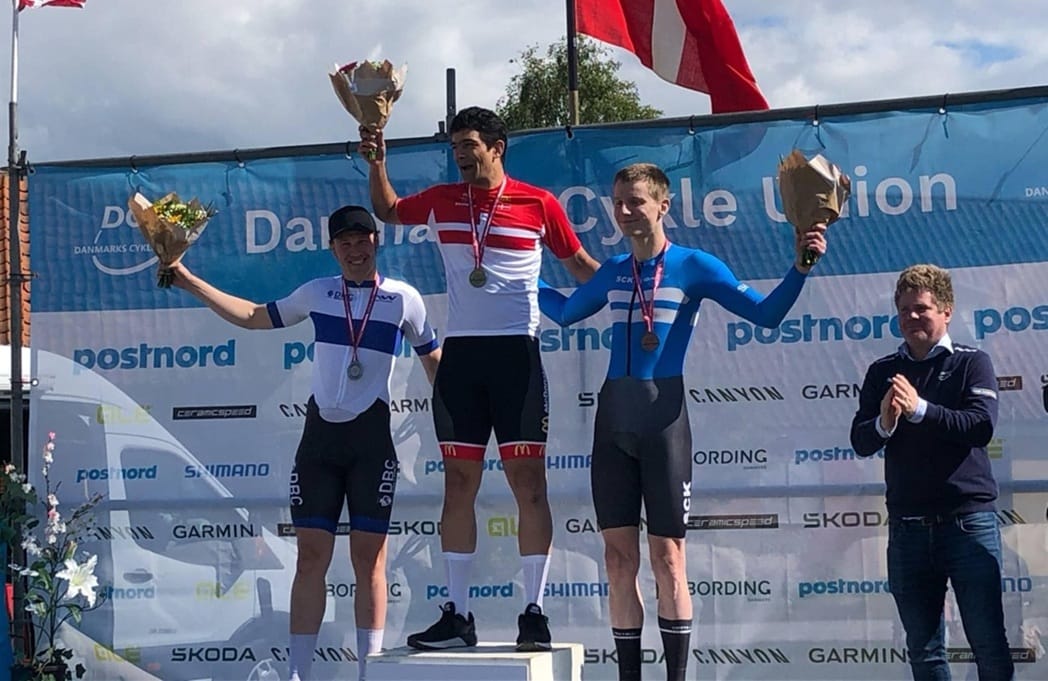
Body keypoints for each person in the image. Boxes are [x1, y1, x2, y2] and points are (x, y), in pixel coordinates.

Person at [538, 163, 827, 681]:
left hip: (663, 421)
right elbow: (564, 313)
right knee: (617, 561)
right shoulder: (614, 270)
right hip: (613, 421)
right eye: (618, 202)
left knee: (668, 558)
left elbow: (766, 315)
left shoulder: (693, 265)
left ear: (662, 206)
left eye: (636, 202)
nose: (625, 212)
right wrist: (518, 276)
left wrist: (801, 267)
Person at [359, 105, 600, 651]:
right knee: (459, 485)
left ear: (497, 147)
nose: (460, 156)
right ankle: (458, 615)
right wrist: (376, 159)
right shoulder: (443, 200)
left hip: (517, 356)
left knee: (529, 486)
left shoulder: (539, 203)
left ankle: (534, 613)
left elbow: (581, 266)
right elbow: (388, 210)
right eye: (455, 148)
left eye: (469, 145)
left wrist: (631, 283)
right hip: (463, 358)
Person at [170, 205, 441, 681]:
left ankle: (368, 672)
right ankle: (299, 672)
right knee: (311, 557)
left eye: (362, 241)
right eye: (345, 243)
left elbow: (435, 363)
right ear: (333, 249)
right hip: (321, 442)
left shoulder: (404, 299)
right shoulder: (317, 293)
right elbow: (253, 316)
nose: (355, 251)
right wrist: (189, 281)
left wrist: (467, 420)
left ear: (376, 242)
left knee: (369, 561)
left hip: (371, 442)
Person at [850, 264, 1014, 681]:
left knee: (988, 644)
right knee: (923, 652)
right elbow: (861, 440)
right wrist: (885, 421)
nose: (911, 317)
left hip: (967, 523)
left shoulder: (972, 362)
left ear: (946, 311)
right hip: (908, 528)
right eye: (904, 310)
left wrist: (920, 409)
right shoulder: (882, 371)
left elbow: (980, 426)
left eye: (921, 308)